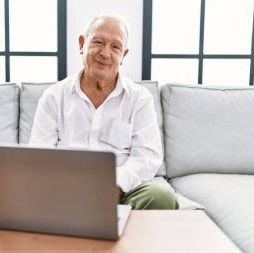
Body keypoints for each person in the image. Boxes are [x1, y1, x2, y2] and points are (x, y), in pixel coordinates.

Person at [30, 14, 178, 210]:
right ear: (82, 44)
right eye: (98, 42)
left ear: (123, 55)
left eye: (115, 47)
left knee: (162, 196)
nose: (105, 53)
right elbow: (40, 156)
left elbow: (146, 157)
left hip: (121, 193)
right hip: (65, 190)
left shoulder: (140, 99)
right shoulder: (54, 97)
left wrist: (112, 187)